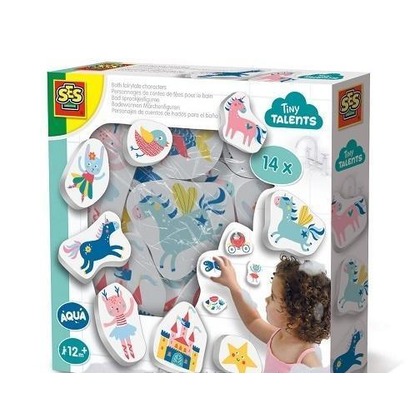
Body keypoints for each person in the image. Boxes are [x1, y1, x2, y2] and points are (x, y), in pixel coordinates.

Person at [211, 254, 331, 372]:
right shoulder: (278, 336)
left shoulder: (308, 360)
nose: (266, 299)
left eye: (273, 297)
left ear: (295, 318)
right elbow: (252, 320)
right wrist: (233, 285)